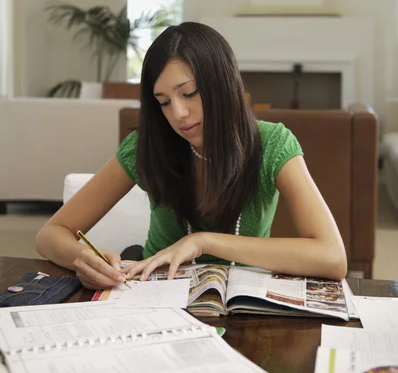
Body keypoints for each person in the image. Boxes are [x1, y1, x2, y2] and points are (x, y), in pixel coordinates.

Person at [35, 22, 347, 290]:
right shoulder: (148, 144)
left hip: (244, 299)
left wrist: (202, 241)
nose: (179, 114)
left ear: (222, 85)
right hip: (153, 297)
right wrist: (84, 260)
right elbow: (50, 234)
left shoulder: (272, 144)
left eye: (188, 93)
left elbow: (332, 257)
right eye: (163, 101)